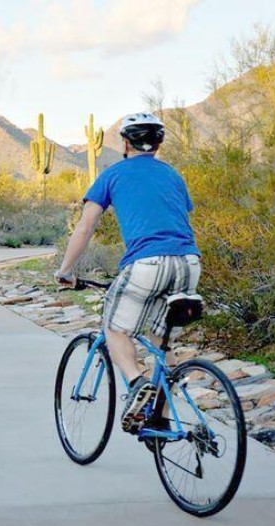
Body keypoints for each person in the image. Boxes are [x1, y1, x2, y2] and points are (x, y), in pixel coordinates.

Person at [54, 112, 201, 432]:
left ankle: (137, 383)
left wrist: (65, 269)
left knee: (115, 327)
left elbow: (85, 227)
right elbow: (182, 218)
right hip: (189, 262)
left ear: (124, 143)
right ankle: (159, 421)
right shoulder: (173, 175)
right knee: (161, 343)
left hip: (147, 263)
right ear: (158, 145)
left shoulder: (112, 174)